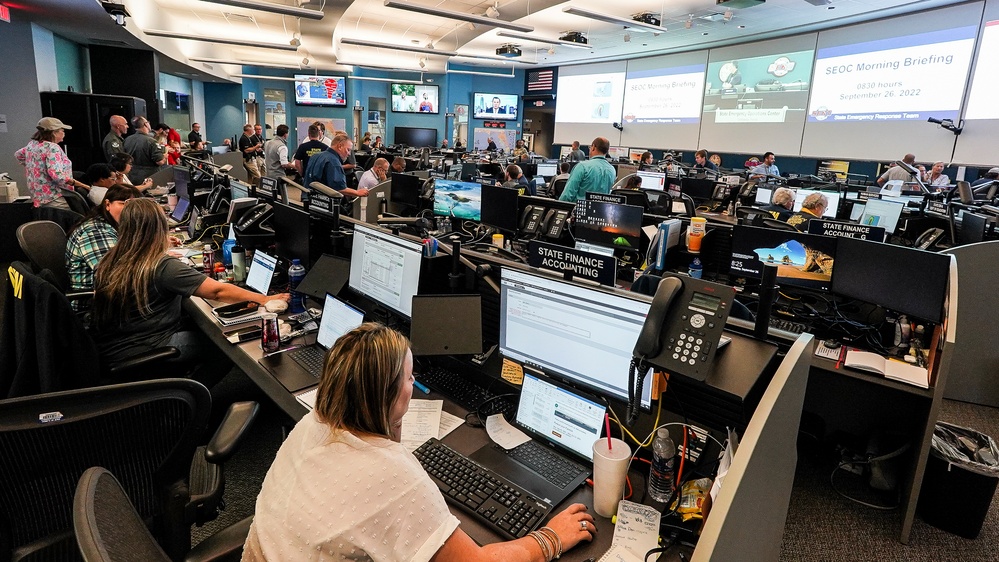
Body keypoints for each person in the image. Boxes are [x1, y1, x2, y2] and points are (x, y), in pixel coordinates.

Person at [242, 322, 596, 561]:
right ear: (390, 395)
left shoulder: (314, 421)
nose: (414, 384)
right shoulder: (393, 476)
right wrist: (551, 538)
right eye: (410, 377)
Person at [91, 198, 289, 383]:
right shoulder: (162, 266)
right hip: (149, 345)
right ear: (158, 228)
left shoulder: (112, 258)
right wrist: (265, 298)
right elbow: (217, 292)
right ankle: (191, 395)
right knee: (225, 344)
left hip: (114, 346)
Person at [65, 184, 142, 303]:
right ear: (107, 204)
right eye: (124, 203)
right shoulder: (95, 232)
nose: (130, 209)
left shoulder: (110, 224)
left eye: (134, 205)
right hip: (95, 305)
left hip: (110, 299)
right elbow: (114, 276)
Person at [15, 117, 87, 209]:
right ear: (54, 132)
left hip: (38, 196)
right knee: (66, 221)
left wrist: (34, 166)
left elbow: (18, 155)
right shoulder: (52, 148)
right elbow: (57, 175)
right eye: (62, 131)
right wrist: (84, 186)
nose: (64, 133)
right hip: (54, 196)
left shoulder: (32, 145)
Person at [304, 135, 370, 198]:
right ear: (340, 146)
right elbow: (339, 188)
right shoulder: (334, 162)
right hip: (323, 202)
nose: (349, 154)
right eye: (348, 150)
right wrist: (357, 192)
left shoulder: (315, 156)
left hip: (308, 197)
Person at [559, 137, 615, 202]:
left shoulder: (582, 167)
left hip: (579, 210)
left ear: (593, 147)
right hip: (600, 210)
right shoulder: (612, 170)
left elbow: (567, 195)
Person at [123, 116, 166, 185]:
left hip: (131, 176)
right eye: (148, 122)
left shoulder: (127, 140)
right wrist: (164, 156)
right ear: (145, 124)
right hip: (149, 178)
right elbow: (159, 162)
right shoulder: (151, 141)